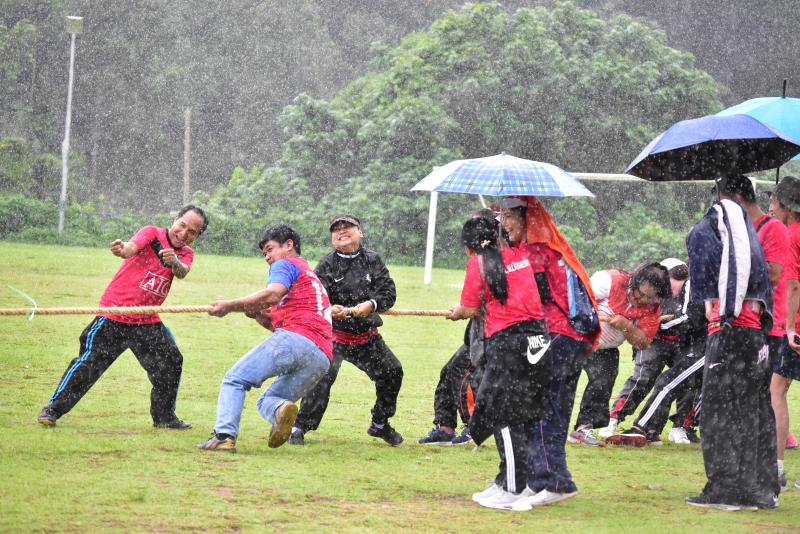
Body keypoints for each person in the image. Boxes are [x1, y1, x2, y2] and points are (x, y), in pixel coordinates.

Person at [36, 205, 208, 429]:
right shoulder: (152, 233)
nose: (184, 233)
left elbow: (182, 271)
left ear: (197, 236)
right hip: (114, 316)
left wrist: (174, 261)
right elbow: (130, 248)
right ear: (175, 219)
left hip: (146, 321)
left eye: (192, 232)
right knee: (88, 366)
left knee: (170, 362)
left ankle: (165, 418)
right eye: (182, 225)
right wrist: (122, 249)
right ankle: (52, 410)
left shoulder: (186, 253)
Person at [489, 197, 599, 506]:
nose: (504, 223)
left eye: (509, 216)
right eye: (502, 216)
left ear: (526, 217)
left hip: (557, 335)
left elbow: (528, 298)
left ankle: (553, 482)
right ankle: (542, 479)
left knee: (540, 408)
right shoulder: (546, 245)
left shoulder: (536, 250)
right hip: (570, 338)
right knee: (554, 409)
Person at [196, 225, 332, 453]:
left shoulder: (286, 264)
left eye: (270, 249)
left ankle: (224, 437)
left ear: (289, 245)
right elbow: (277, 325)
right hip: (322, 358)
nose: (267, 257)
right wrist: (258, 314)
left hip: (296, 339)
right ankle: (279, 411)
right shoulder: (310, 278)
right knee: (272, 399)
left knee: (235, 380)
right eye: (264, 254)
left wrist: (229, 306)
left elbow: (273, 294)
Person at [448, 216, 551, 512]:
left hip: (508, 344)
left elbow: (469, 308)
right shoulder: (521, 254)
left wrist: (457, 312)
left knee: (503, 415)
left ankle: (514, 490)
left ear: (469, 246)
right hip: (539, 341)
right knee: (527, 415)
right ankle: (511, 480)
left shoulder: (478, 263)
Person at [685, 175, 775, 511]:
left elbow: (717, 282)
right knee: (749, 411)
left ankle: (723, 488)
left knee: (718, 410)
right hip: (754, 332)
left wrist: (722, 315)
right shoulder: (747, 230)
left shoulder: (712, 225)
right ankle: (750, 487)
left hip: (729, 329)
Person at [289, 214, 403, 446]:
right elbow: (317, 297)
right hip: (333, 338)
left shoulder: (373, 260)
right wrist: (331, 309)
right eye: (336, 229)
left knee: (392, 371)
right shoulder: (327, 264)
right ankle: (300, 427)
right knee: (321, 377)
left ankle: (380, 423)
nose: (341, 231)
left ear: (360, 232)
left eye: (347, 227)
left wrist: (371, 305)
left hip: (366, 338)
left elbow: (388, 293)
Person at [418, 208, 500, 447]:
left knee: (462, 374)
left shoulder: (485, 259)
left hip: (490, 333)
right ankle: (445, 428)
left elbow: (472, 307)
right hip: (481, 330)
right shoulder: (491, 257)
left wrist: (461, 310)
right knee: (449, 371)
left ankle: (474, 428)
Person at [569, 263, 669, 446]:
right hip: (574, 339)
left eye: (650, 297)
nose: (642, 300)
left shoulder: (652, 309)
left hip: (605, 349)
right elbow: (574, 300)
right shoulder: (609, 281)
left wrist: (627, 326)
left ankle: (582, 429)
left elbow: (643, 342)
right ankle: (541, 426)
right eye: (641, 294)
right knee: (558, 382)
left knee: (602, 384)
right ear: (635, 282)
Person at [599, 258, 691, 439]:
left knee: (685, 381)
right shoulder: (651, 292)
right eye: (673, 282)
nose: (675, 291)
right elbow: (642, 327)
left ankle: (669, 428)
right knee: (643, 379)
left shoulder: (688, 292)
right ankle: (614, 418)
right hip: (654, 341)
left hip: (681, 344)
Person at [770, 176, 800, 491]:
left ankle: (776, 468)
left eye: (775, 201)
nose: (771, 206)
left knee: (776, 390)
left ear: (788, 208)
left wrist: (790, 327)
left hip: (796, 329)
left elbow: (793, 284)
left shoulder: (791, 235)